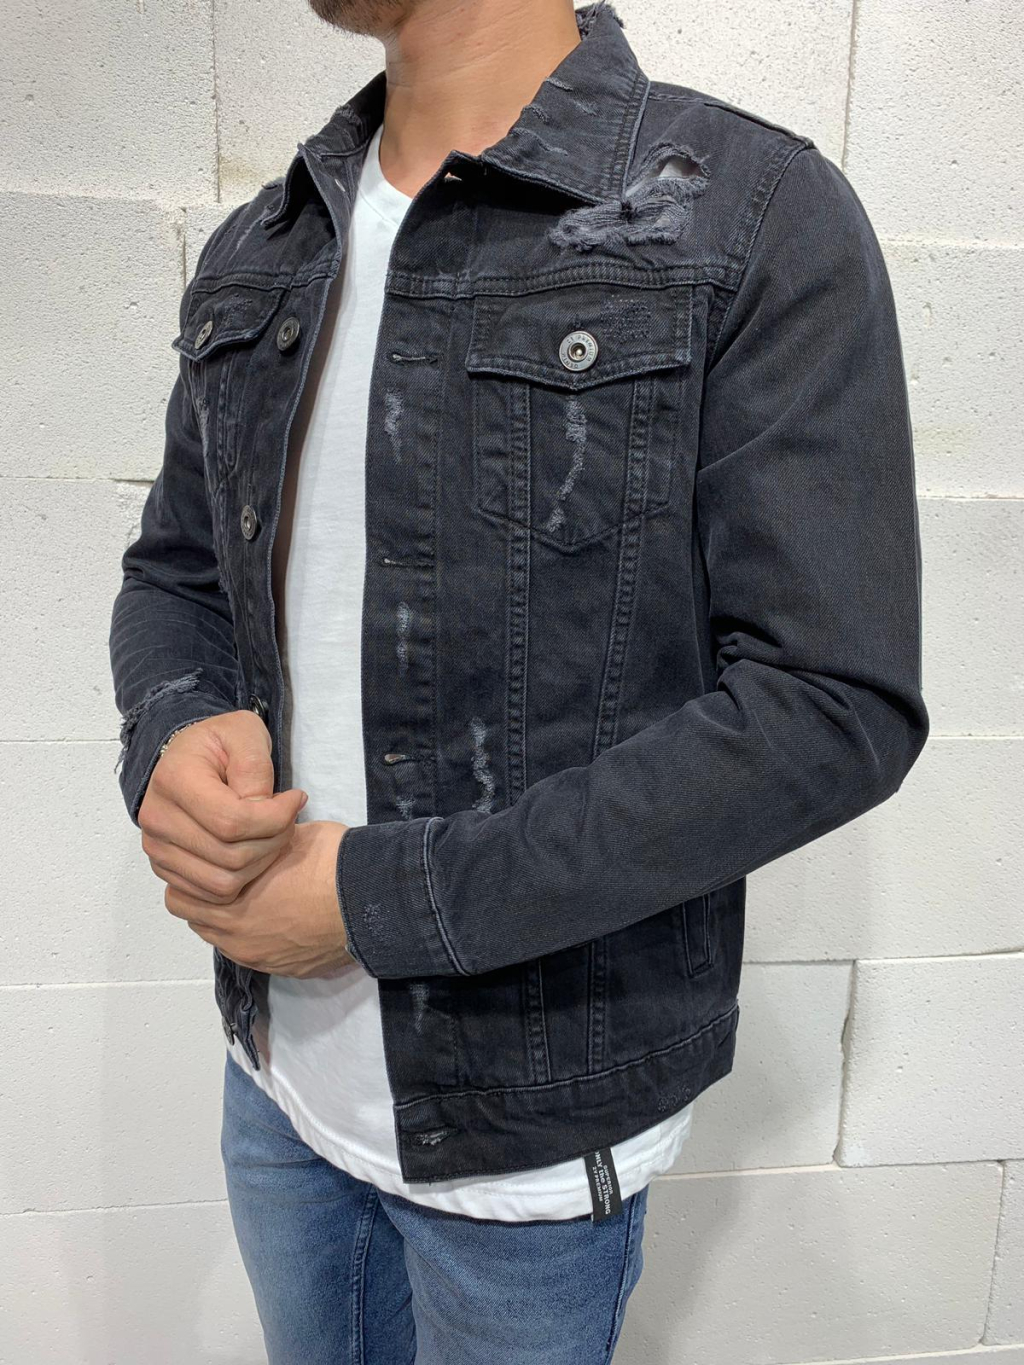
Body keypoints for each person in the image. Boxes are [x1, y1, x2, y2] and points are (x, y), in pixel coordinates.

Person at [108, 0, 929, 1359]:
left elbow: (830, 706)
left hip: (527, 1142)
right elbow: (178, 571)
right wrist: (174, 728)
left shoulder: (744, 215)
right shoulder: (268, 245)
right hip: (277, 1081)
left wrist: (374, 902)